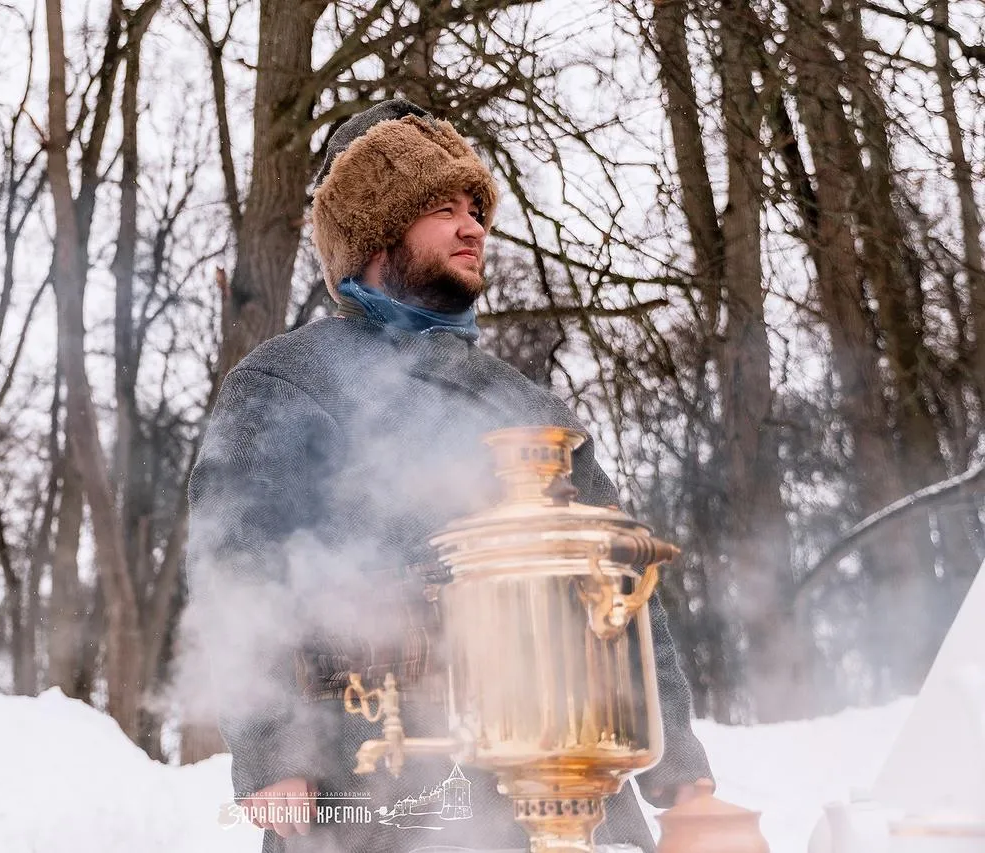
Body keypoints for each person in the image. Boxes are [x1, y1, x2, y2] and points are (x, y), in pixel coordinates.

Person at [185, 99, 711, 853]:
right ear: (373, 232)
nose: (474, 227)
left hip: (563, 787)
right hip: (373, 788)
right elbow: (240, 564)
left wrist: (680, 775)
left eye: (477, 208)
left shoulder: (531, 405)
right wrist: (274, 751)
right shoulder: (290, 378)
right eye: (441, 207)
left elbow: (622, 587)